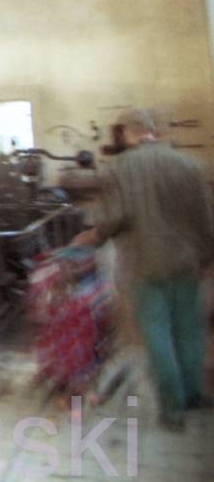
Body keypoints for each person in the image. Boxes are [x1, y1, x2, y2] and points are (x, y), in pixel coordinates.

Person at [74, 108, 214, 429]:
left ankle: (173, 410)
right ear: (154, 131)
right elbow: (206, 218)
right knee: (189, 331)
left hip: (144, 265)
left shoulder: (118, 169)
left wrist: (92, 237)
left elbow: (114, 218)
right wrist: (208, 258)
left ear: (125, 132)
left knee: (158, 335)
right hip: (188, 263)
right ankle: (194, 394)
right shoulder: (190, 165)